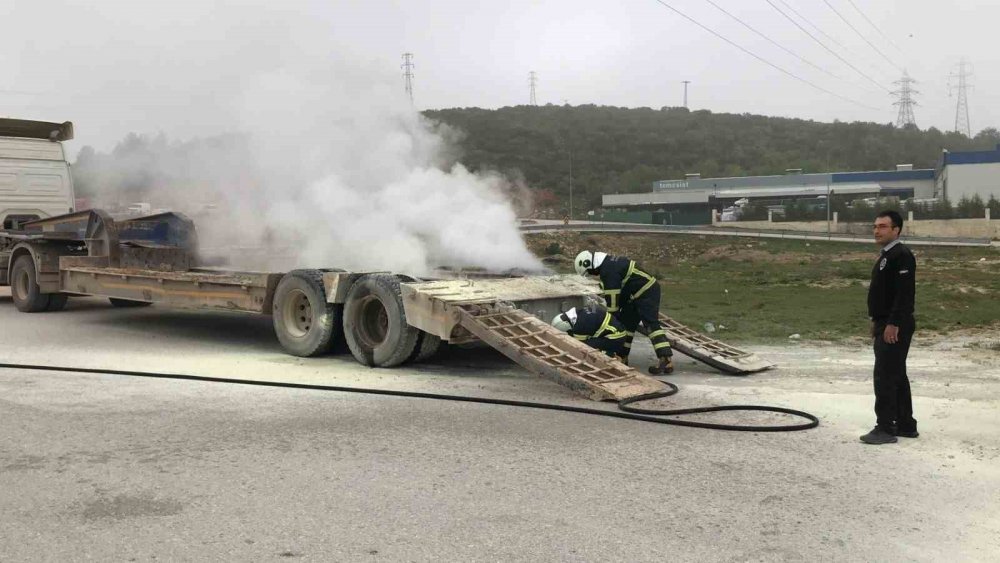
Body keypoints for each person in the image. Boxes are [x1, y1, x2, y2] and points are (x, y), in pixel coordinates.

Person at [861, 210, 918, 445]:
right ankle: (905, 424)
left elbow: (904, 294)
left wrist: (893, 323)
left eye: (883, 226)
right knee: (896, 374)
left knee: (884, 375)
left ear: (896, 230)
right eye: (875, 226)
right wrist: (877, 321)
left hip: (896, 324)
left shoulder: (901, 255)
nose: (877, 230)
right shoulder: (887, 255)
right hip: (885, 322)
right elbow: (883, 293)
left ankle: (884, 427)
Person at [573, 250, 673, 374]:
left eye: (589, 272)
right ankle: (623, 357)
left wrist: (611, 317)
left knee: (651, 324)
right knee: (625, 326)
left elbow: (613, 297)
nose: (593, 274)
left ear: (590, 265)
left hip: (647, 291)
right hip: (634, 296)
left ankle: (666, 359)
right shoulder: (609, 264)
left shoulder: (608, 270)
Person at [550, 305, 629, 361]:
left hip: (615, 339)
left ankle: (611, 356)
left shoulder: (580, 326)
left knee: (585, 348)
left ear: (566, 326)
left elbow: (578, 345)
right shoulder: (578, 312)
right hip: (618, 332)